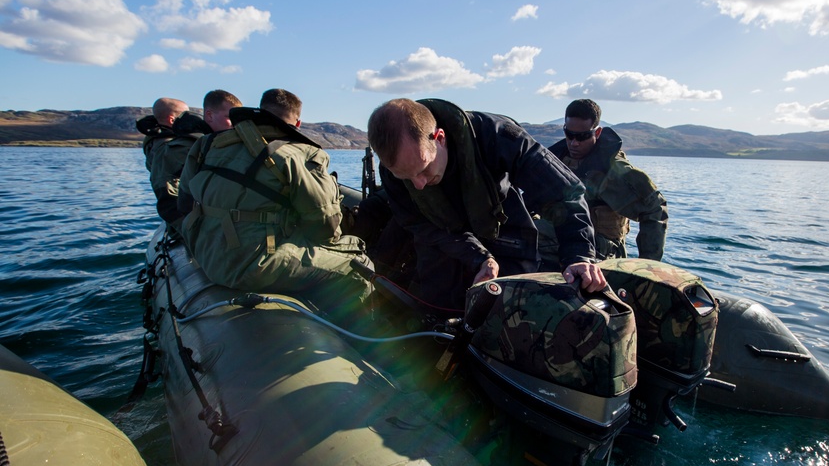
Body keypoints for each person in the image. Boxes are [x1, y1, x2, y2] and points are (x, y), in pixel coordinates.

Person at [366, 97, 606, 311]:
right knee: (438, 312)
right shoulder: (394, 169)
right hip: (443, 240)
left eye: (424, 168)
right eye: (406, 177)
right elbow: (420, 225)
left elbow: (565, 193)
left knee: (513, 313)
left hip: (503, 228)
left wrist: (579, 255)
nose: (418, 184)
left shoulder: (498, 136)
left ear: (439, 138)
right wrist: (478, 257)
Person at [177, 89, 372, 324]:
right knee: (358, 264)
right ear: (297, 122)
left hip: (205, 254)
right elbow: (325, 229)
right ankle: (359, 340)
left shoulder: (206, 145)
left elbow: (184, 203)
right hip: (252, 265)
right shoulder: (300, 153)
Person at [548, 99, 668, 261]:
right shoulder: (559, 159)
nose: (574, 143)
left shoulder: (616, 171)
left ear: (597, 133)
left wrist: (647, 264)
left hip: (603, 247)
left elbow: (655, 208)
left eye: (582, 136)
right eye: (569, 135)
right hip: (565, 236)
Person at [137, 97, 209, 231]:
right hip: (185, 220)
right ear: (172, 120)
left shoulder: (153, 142)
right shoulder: (170, 150)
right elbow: (169, 197)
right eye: (184, 116)